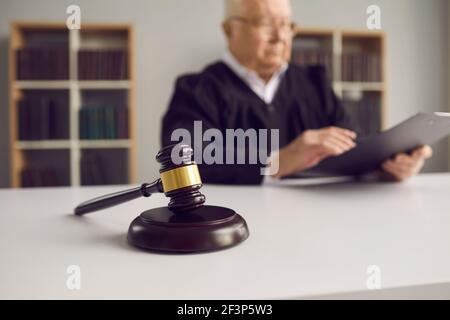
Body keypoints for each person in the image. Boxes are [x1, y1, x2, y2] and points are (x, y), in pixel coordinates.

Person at [161, 0, 432, 184]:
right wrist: (280, 161)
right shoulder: (196, 89)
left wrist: (385, 167)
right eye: (266, 24)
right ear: (229, 29)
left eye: (287, 25)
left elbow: (351, 145)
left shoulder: (314, 82)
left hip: (316, 228)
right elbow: (184, 157)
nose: (280, 36)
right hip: (237, 226)